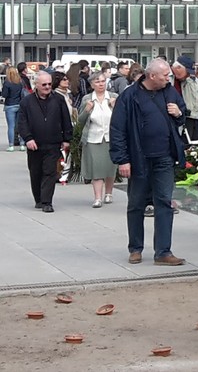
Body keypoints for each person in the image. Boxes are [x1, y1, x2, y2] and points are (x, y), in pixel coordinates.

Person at [110, 58, 188, 266]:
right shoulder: (130, 95)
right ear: (152, 76)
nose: (168, 78)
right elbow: (117, 129)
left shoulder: (169, 92)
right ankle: (135, 248)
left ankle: (163, 251)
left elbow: (182, 114)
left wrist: (179, 114)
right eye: (165, 75)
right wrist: (122, 159)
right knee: (136, 203)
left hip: (164, 156)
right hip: (138, 158)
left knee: (164, 202)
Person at [17, 71, 73, 213]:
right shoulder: (26, 102)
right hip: (34, 144)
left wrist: (67, 139)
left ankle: (47, 201)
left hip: (53, 143)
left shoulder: (58, 99)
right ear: (36, 85)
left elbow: (66, 119)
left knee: (50, 172)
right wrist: (28, 138)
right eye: (44, 84)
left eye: (49, 84)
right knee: (36, 172)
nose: (48, 87)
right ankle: (39, 199)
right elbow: (22, 123)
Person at [78, 73, 119, 208]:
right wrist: (87, 110)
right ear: (92, 85)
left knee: (110, 167)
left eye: (103, 81)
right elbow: (80, 120)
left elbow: (122, 117)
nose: (101, 84)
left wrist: (115, 106)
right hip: (93, 138)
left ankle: (108, 193)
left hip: (111, 137)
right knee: (96, 169)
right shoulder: (87, 99)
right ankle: (97, 198)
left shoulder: (114, 97)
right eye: (98, 82)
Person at [171, 56, 198, 140]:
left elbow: (194, 97)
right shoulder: (168, 79)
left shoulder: (191, 80)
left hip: (190, 118)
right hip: (173, 118)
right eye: (187, 71)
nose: (188, 74)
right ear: (178, 68)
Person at [3, 66, 25, 151]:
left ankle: (11, 145)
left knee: (11, 126)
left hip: (10, 105)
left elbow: (5, 95)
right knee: (20, 125)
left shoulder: (7, 83)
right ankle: (22, 144)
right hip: (19, 104)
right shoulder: (20, 82)